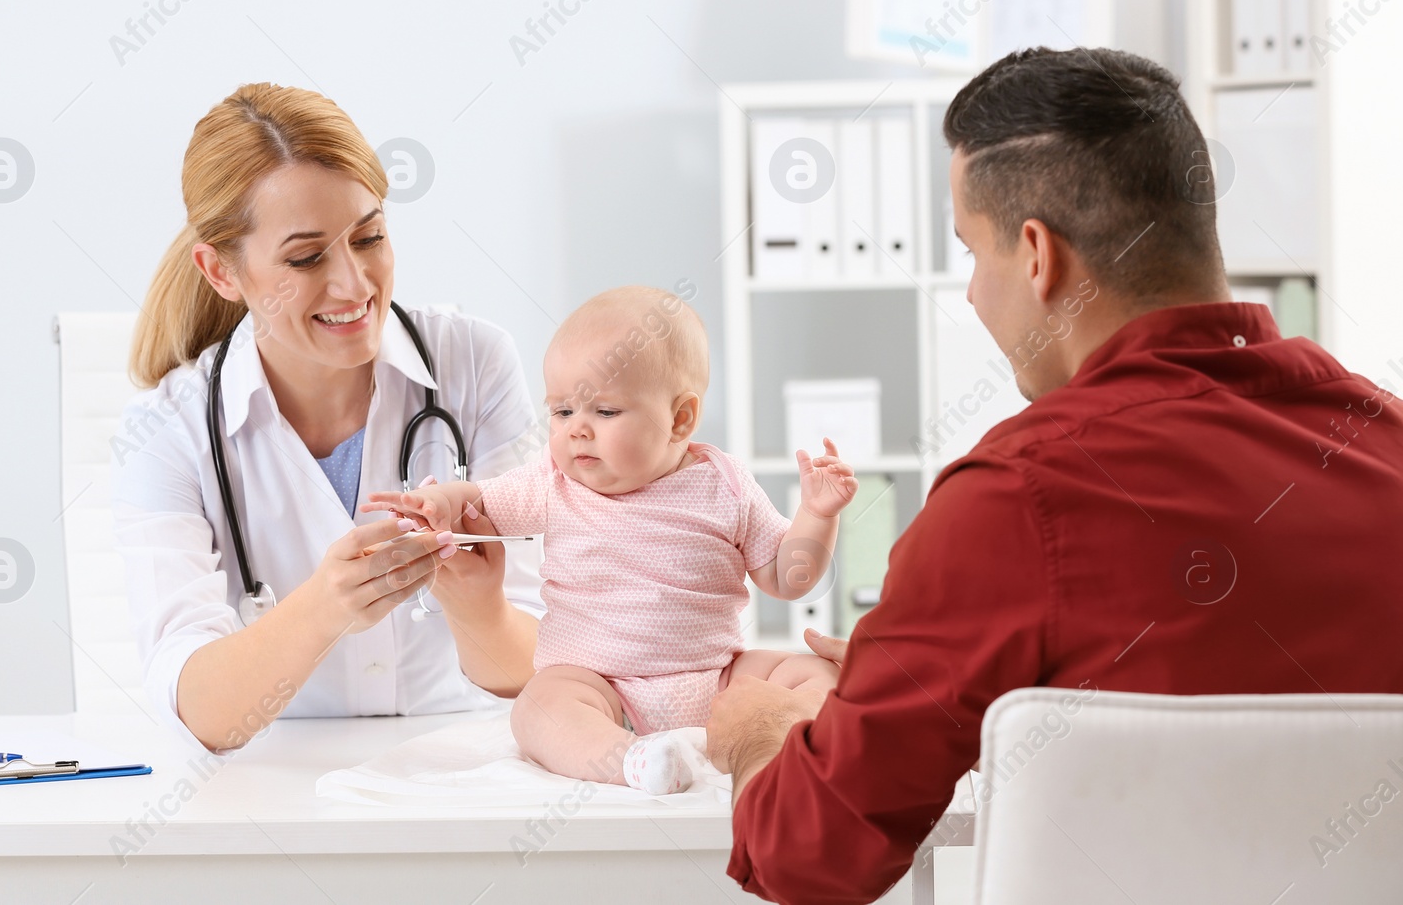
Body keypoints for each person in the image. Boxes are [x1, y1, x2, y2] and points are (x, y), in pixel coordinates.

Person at [707, 47, 1403, 902]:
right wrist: (925, 665)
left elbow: (805, 858)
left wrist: (762, 728)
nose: (970, 295)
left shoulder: (1014, 496)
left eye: (971, 253)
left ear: (1038, 256)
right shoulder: (1387, 442)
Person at [111, 83, 544, 753]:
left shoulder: (476, 364)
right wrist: (326, 605)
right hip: (282, 794)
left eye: (369, 237)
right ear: (221, 271)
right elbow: (197, 707)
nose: (353, 284)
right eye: (307, 257)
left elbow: (543, 665)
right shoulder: (166, 431)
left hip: (469, 774)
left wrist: (479, 608)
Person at [366, 286, 853, 793]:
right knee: (539, 706)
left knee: (815, 672)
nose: (576, 430)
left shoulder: (725, 484)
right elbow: (481, 502)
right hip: (602, 688)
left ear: (680, 418)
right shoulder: (553, 484)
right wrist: (442, 502)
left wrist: (817, 515)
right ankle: (632, 760)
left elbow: (787, 577)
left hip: (719, 681)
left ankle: (804, 737)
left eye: (604, 412)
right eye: (561, 412)